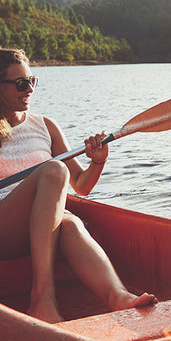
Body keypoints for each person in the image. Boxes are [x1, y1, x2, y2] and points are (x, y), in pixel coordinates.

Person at [0, 48, 157, 323]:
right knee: (53, 170)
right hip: (4, 231)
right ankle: (42, 298)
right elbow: (56, 174)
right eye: (20, 83)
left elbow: (81, 186)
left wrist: (97, 163)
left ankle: (118, 297)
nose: (29, 90)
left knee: (70, 222)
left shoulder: (45, 126)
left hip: (39, 231)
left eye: (32, 81)